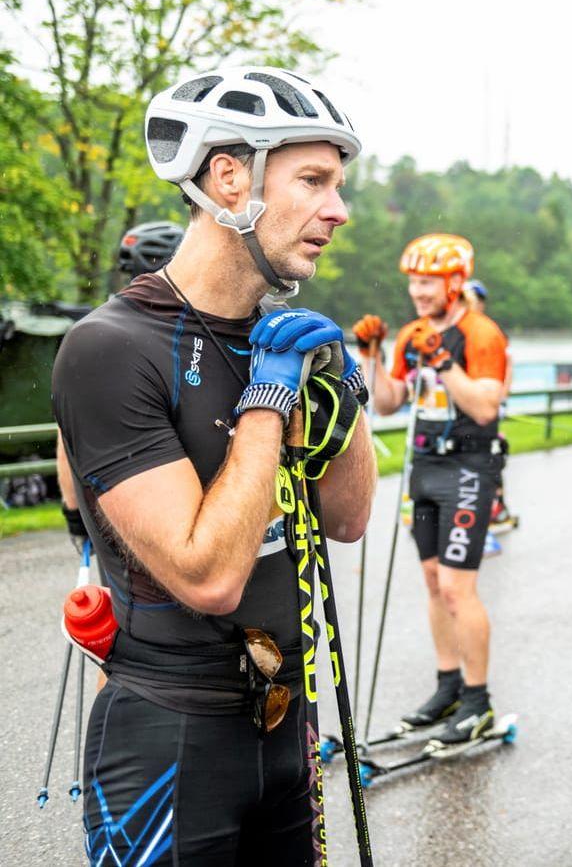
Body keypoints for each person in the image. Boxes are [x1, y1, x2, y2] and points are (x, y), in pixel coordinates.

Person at [52, 66, 376, 865]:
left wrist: (346, 389)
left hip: (286, 725)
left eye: (339, 185)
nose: (339, 209)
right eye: (315, 180)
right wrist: (268, 403)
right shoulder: (111, 349)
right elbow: (207, 576)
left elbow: (349, 518)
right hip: (169, 735)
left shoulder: (283, 330)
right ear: (230, 177)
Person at [358, 235, 510, 746]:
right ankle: (447, 687)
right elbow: (385, 403)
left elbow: (486, 407)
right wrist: (372, 356)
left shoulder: (481, 333)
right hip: (423, 468)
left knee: (455, 587)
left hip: (468, 469)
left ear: (454, 283)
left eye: (427, 283)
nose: (417, 294)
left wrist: (444, 362)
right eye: (413, 284)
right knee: (430, 580)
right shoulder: (414, 332)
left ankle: (478, 699)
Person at [58, 221, 187, 545]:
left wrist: (75, 515)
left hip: (117, 516)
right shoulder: (189, 330)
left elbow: (66, 437)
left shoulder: (103, 328)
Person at [462, 277, 518, 531]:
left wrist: (500, 399)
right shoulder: (455, 329)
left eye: (477, 300)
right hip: (463, 405)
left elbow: (507, 365)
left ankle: (497, 507)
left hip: (487, 401)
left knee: (491, 453)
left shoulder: (490, 330)